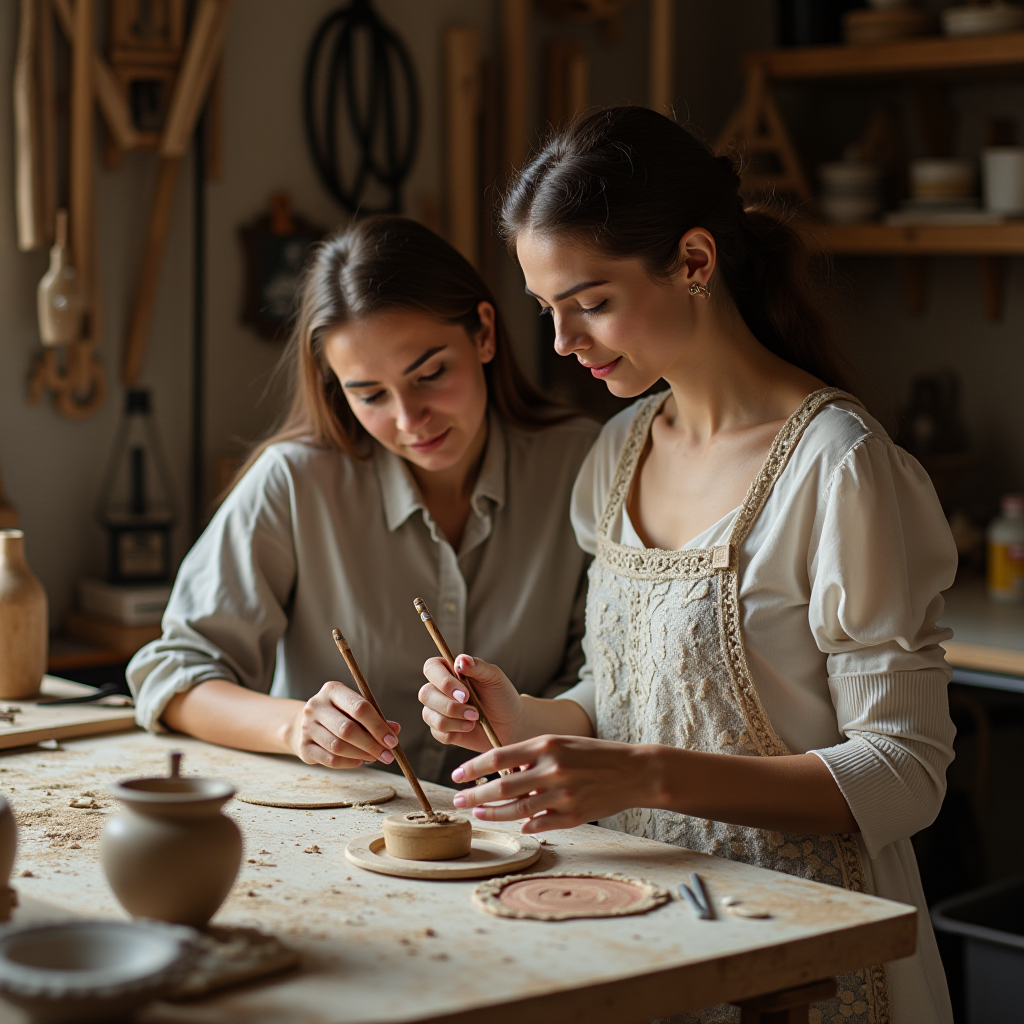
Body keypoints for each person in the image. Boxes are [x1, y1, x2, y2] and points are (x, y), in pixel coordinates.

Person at [418, 107, 956, 1024]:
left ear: (696, 262)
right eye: (547, 310)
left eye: (590, 302)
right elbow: (627, 697)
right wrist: (526, 717)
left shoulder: (840, 467)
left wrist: (644, 776)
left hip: (804, 950)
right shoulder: (620, 450)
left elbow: (904, 772)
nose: (562, 342)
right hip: (649, 929)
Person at [127, 215, 599, 783]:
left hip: (523, 827)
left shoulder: (583, 464)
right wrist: (295, 727)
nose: (409, 419)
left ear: (484, 333)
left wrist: (523, 720)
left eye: (429, 374)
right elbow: (170, 674)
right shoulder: (295, 481)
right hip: (333, 828)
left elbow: (605, 685)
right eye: (370, 394)